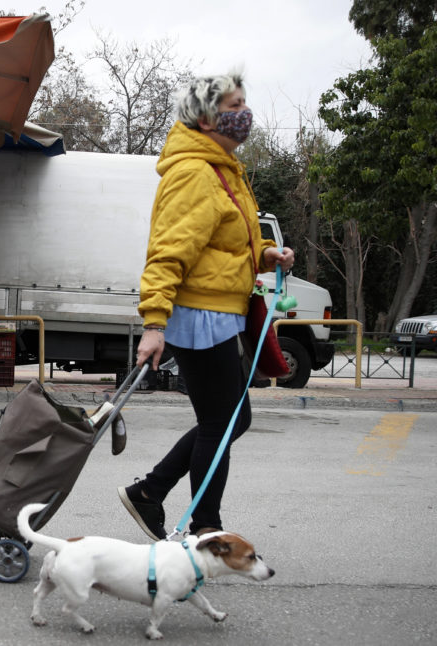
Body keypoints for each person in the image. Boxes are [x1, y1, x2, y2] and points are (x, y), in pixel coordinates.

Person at [117, 72, 295, 539]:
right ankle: (203, 527)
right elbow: (168, 250)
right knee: (222, 422)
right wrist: (154, 322)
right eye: (234, 105)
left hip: (218, 313)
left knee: (230, 419)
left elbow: (224, 245)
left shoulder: (221, 168)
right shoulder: (195, 172)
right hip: (200, 317)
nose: (244, 114)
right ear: (205, 117)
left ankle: (152, 493)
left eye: (243, 103)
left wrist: (265, 254)